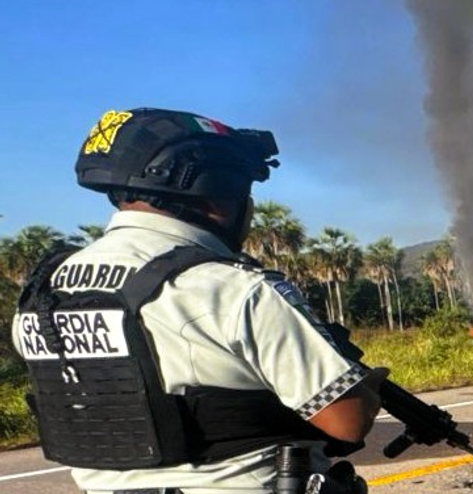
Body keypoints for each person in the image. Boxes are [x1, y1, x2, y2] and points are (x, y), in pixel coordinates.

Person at [13, 108, 384, 493]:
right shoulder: (231, 288)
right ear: (218, 193)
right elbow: (347, 422)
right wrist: (367, 387)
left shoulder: (44, 293)